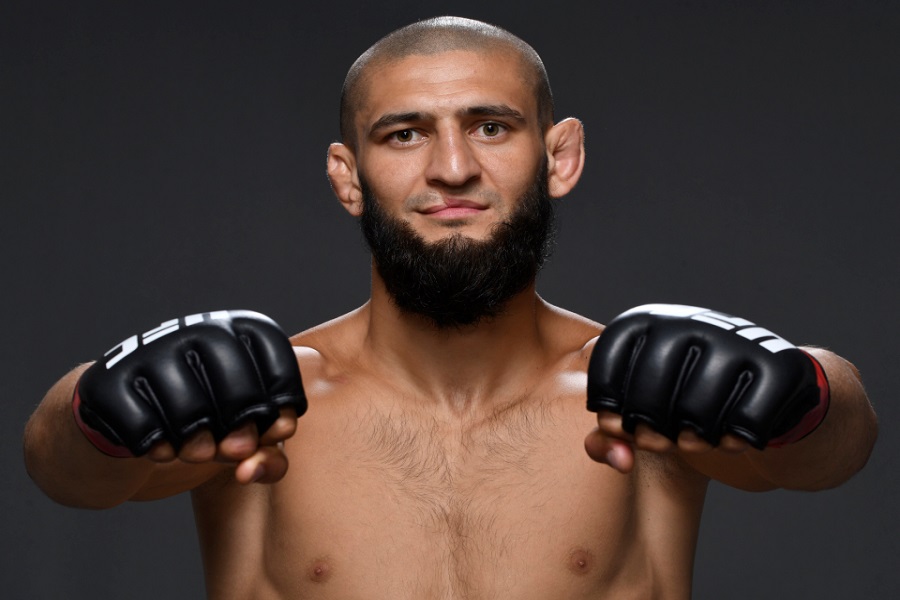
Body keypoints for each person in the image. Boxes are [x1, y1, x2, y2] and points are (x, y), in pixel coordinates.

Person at [24, 16, 877, 600]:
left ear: (560, 156)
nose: (453, 168)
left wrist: (803, 393)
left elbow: (836, 452)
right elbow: (64, 472)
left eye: (491, 127)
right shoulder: (267, 403)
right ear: (348, 177)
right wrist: (96, 408)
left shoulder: (635, 396)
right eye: (405, 134)